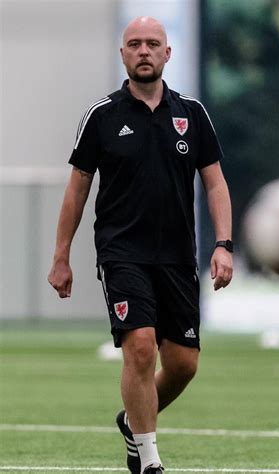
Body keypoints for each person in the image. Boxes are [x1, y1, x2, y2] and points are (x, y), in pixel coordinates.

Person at [48, 16, 233, 474]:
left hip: (177, 257)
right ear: (123, 54)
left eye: (153, 43)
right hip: (121, 253)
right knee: (141, 346)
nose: (144, 50)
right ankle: (149, 459)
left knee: (184, 364)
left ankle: (132, 423)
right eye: (135, 44)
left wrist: (224, 244)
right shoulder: (101, 116)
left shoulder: (192, 113)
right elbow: (77, 189)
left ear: (167, 54)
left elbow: (215, 184)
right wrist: (61, 257)